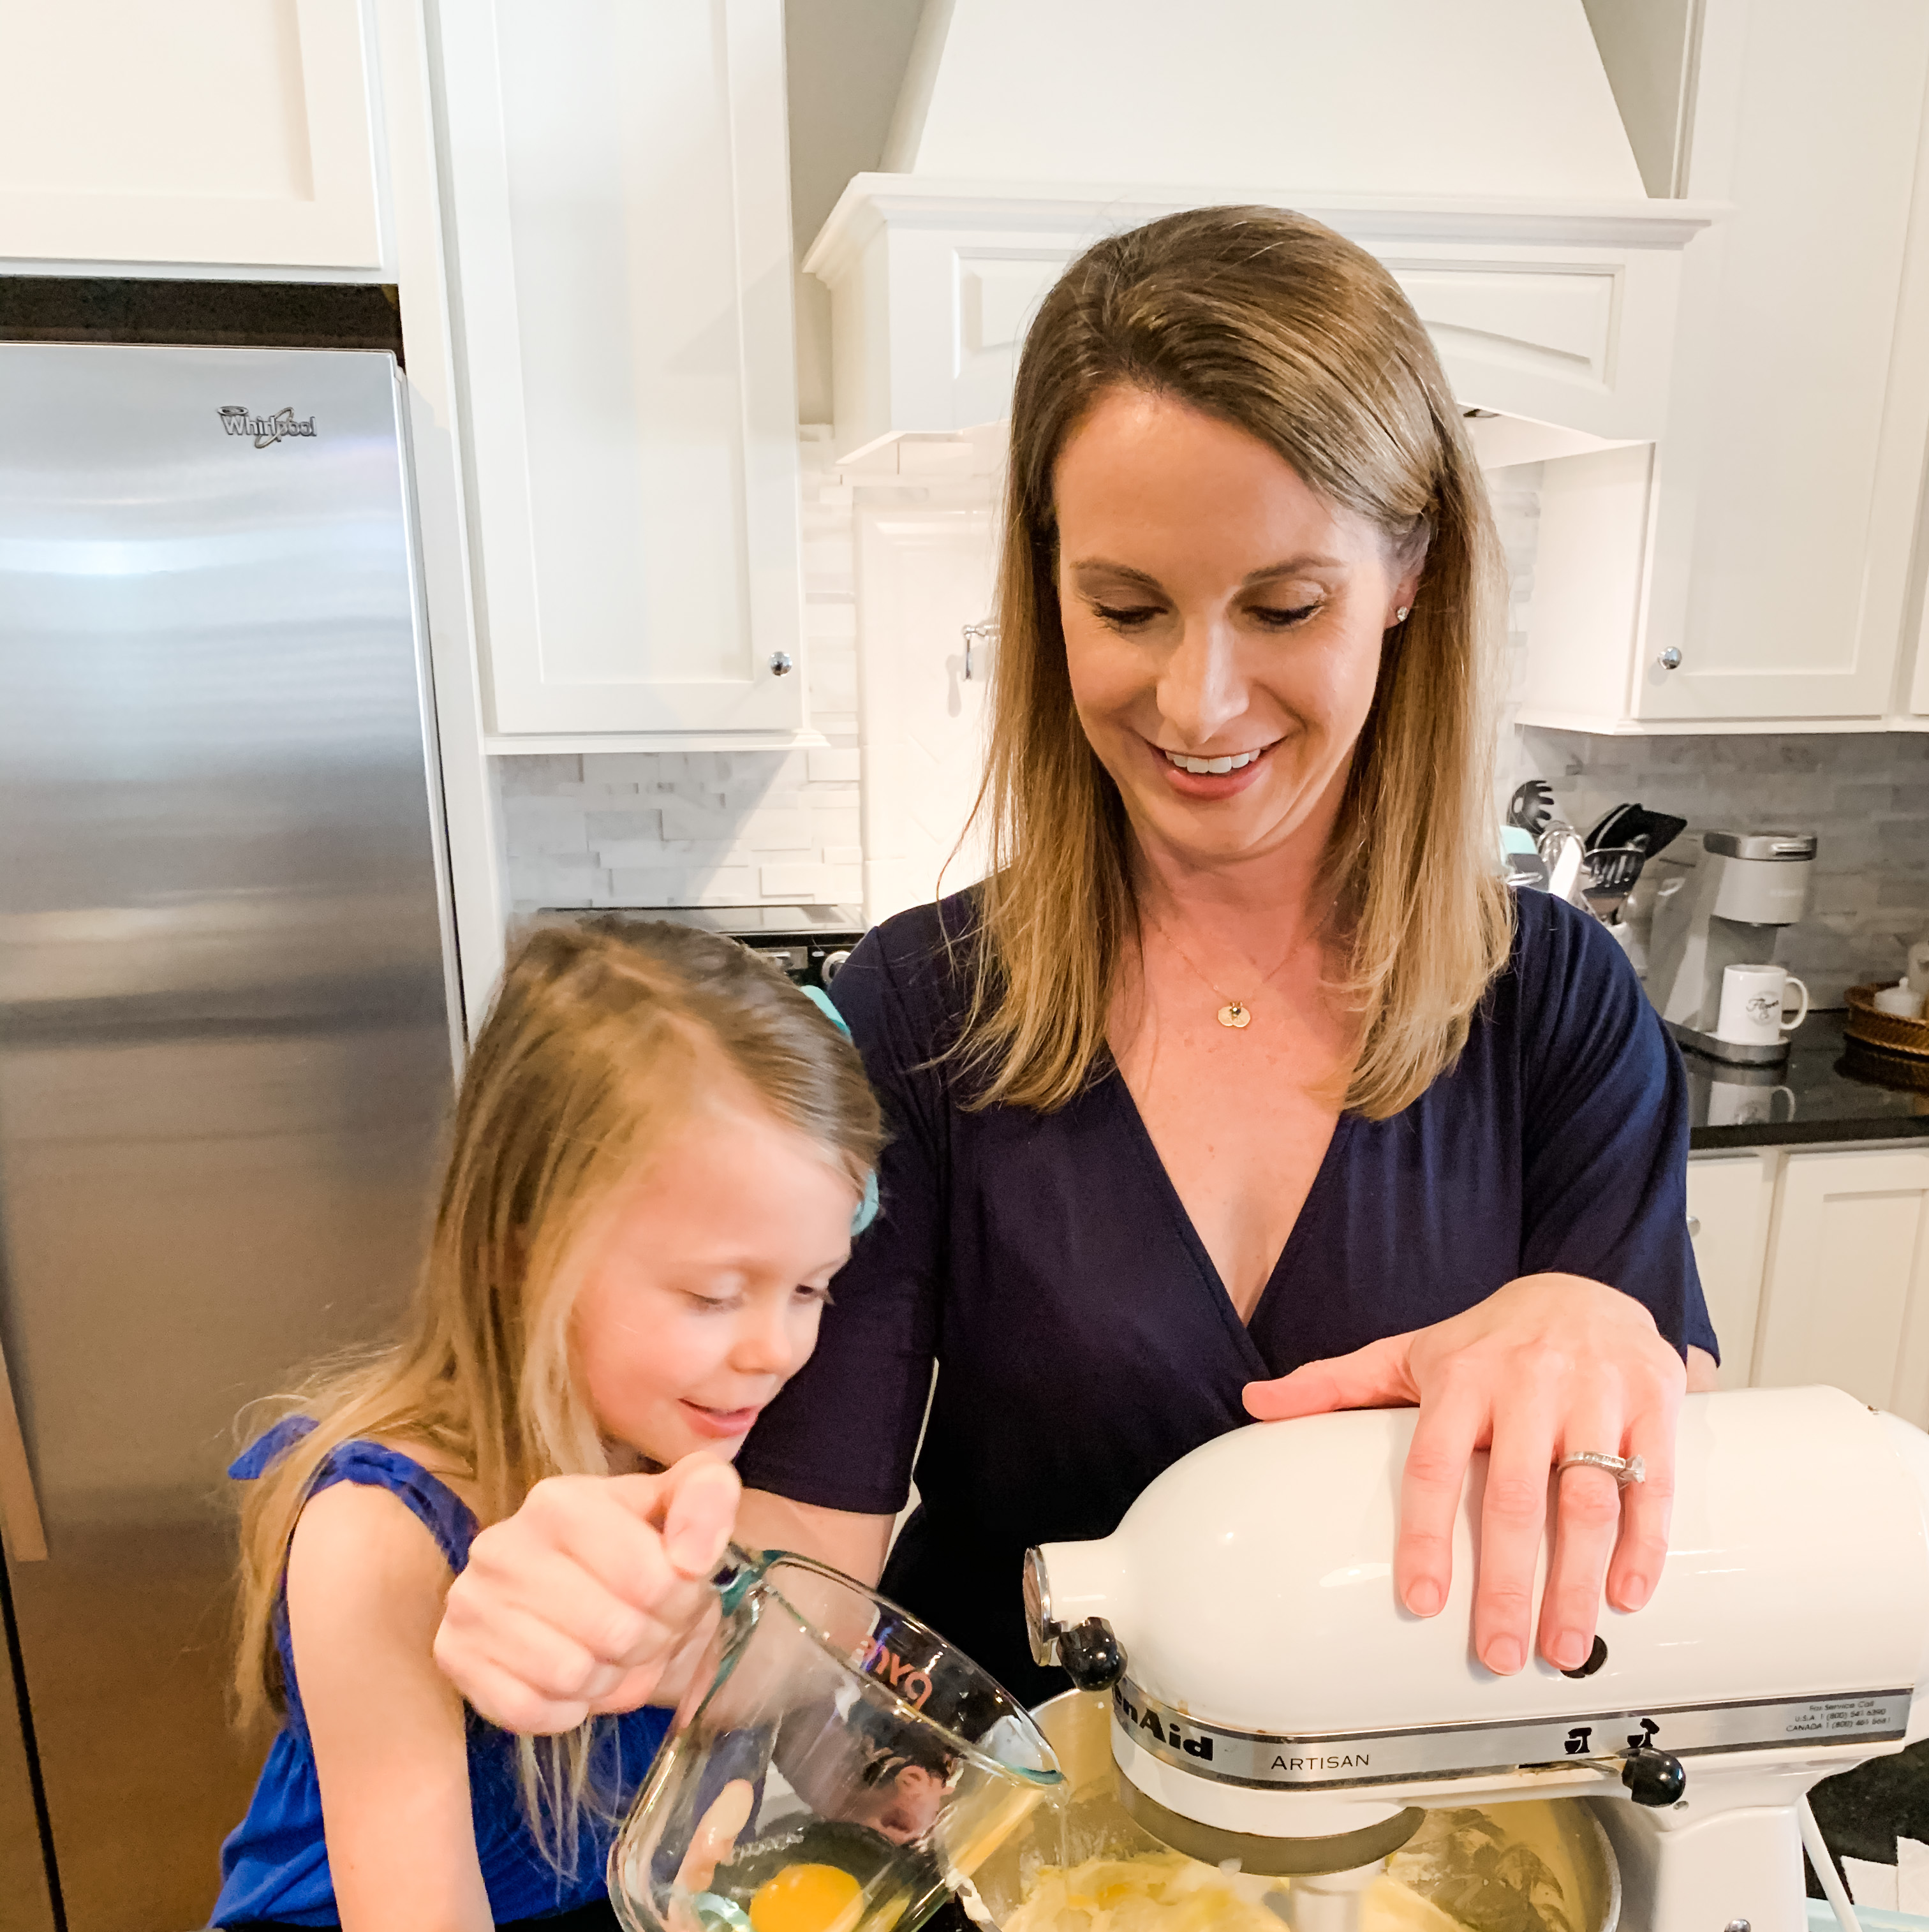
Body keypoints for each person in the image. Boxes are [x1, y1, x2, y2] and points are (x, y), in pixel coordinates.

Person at [432, 205, 1717, 1741]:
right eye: (1127, 608)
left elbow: (1660, 1518)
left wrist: (1595, 1328)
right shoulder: (919, 1013)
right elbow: (804, 1592)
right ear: (1048, 590)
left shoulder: (1557, 1008)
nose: (1200, 697)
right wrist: (628, 1627)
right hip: (1032, 1863)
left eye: (1284, 605)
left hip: (1435, 1865)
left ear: (1410, 574)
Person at [211, 918, 903, 1932]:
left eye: (811, 1288)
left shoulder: (666, 1452)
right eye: (711, 1292)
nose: (776, 1350)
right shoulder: (379, 1537)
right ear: (515, 1250)